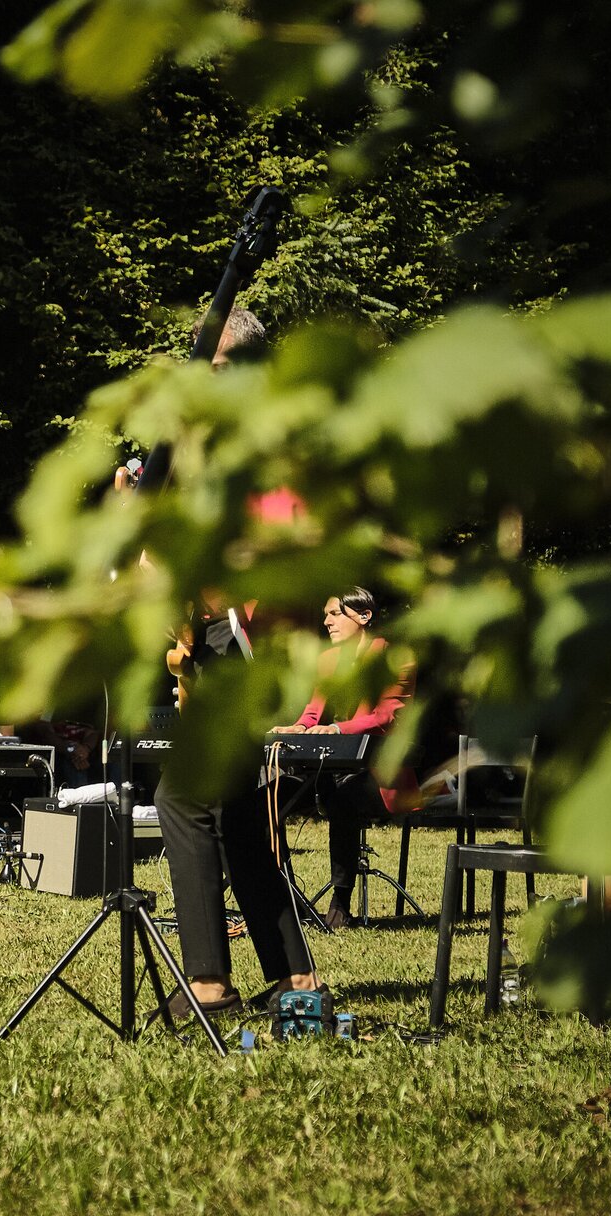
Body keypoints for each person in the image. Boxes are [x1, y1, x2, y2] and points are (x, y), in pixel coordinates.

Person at [153, 303, 321, 1019]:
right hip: (228, 640)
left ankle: (209, 988)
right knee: (237, 815)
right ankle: (294, 980)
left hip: (250, 643)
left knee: (183, 800)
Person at [270, 587, 415, 930]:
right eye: (326, 615)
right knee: (270, 798)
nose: (326, 622)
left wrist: (337, 729)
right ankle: (284, 897)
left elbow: (386, 716)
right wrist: (297, 728)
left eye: (334, 614)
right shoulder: (328, 660)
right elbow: (312, 713)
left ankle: (340, 903)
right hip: (329, 769)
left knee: (342, 801)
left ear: (364, 616)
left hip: (378, 774)